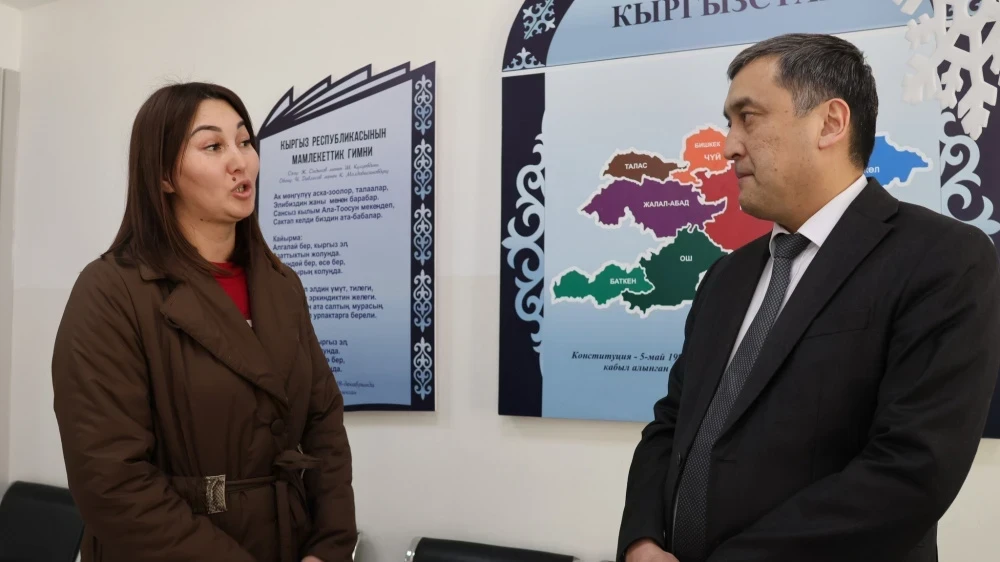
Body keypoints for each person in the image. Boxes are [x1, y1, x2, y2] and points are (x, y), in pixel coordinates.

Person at [617, 33, 1000, 562]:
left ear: (830, 123)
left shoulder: (942, 259)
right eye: (729, 123)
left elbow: (912, 469)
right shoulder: (726, 276)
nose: (728, 146)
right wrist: (641, 541)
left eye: (748, 118)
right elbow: (671, 424)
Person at [51, 82, 357, 562]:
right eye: (213, 146)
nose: (241, 161)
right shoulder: (112, 290)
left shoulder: (282, 285)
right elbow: (110, 478)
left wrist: (329, 546)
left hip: (288, 542)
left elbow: (324, 424)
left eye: (244, 141)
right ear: (164, 176)